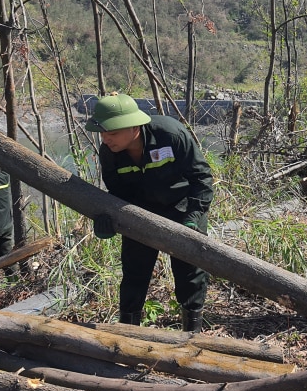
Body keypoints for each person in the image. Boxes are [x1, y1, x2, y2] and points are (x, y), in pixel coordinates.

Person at [85, 93, 214, 332]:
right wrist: (108, 217)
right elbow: (117, 193)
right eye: (102, 133)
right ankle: (129, 332)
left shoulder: (171, 135)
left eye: (111, 133)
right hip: (141, 212)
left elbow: (202, 178)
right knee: (135, 271)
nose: (105, 139)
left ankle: (192, 333)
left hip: (183, 207)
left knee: (190, 271)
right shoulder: (109, 153)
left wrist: (194, 217)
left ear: (133, 126)